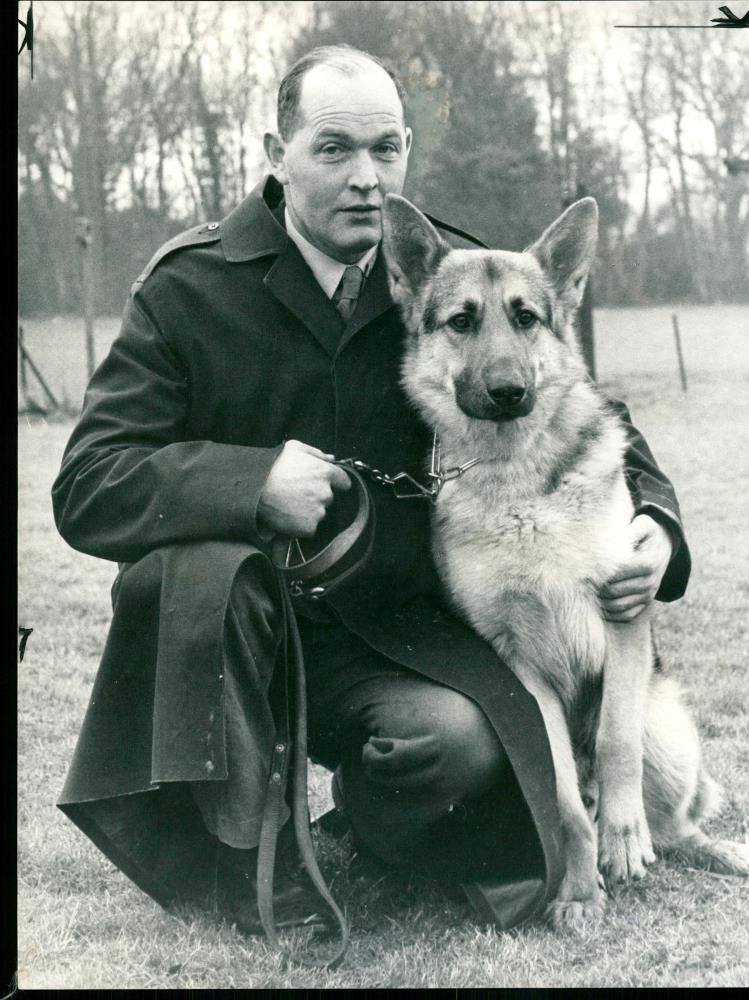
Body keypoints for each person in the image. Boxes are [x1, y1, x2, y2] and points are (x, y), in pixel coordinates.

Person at [52, 45, 691, 940]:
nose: (366, 179)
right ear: (276, 152)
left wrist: (657, 524)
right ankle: (233, 856)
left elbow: (587, 408)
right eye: (334, 149)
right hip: (242, 633)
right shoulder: (187, 289)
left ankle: (371, 823)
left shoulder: (451, 272)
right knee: (188, 578)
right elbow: (87, 482)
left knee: (457, 744)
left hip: (397, 638)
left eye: (386, 150)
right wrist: (248, 483)